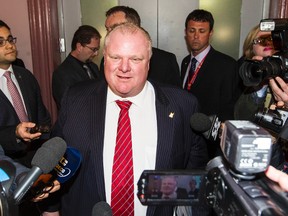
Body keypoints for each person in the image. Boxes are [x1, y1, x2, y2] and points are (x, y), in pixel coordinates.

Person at [51, 23, 209, 216]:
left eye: (135, 59)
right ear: (104, 58)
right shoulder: (76, 100)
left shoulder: (183, 105)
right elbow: (56, 160)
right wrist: (50, 209)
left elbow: (195, 174)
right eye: (115, 57)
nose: (124, 68)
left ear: (149, 63)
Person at [181, 9, 239, 159]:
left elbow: (228, 108)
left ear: (211, 33)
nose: (196, 36)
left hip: (211, 144)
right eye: (192, 30)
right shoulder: (185, 62)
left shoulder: (226, 65)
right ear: (185, 32)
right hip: (186, 137)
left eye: (202, 31)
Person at [0, 20, 51, 167]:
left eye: (10, 39)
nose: (9, 46)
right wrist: (14, 133)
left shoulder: (26, 76)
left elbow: (42, 117)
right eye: (1, 42)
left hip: (36, 161)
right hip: (6, 167)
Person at [101, 5, 182, 87]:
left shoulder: (166, 61)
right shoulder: (106, 60)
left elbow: (176, 96)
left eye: (115, 27)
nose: (109, 33)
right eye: (108, 29)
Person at [52, 25, 103, 109]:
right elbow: (68, 106)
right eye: (93, 49)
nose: (96, 53)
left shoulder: (93, 66)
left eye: (97, 49)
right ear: (79, 47)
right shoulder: (62, 73)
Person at [235, 25, 276, 121]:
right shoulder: (249, 73)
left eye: (272, 38)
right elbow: (240, 117)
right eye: (261, 40)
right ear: (251, 49)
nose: (267, 43)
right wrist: (259, 88)